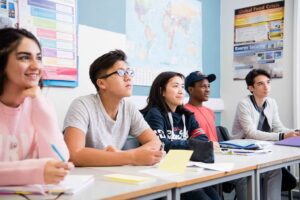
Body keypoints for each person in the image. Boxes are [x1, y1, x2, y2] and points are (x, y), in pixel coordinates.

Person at [63, 49, 163, 167]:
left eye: (129, 72)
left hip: (114, 174)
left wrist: (125, 155)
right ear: (101, 83)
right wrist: (132, 157)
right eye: (121, 73)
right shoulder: (82, 105)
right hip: (86, 177)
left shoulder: (129, 108)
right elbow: (73, 154)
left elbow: (155, 141)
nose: (128, 77)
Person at [0, 28, 71, 186]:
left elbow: (58, 162)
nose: (35, 66)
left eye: (38, 58)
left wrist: (40, 104)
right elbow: (42, 170)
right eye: (24, 58)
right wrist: (33, 172)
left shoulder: (40, 104)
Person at [141, 71, 220, 200]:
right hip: (162, 174)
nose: (180, 91)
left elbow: (203, 140)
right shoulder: (155, 114)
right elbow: (161, 145)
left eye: (182, 86)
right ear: (162, 91)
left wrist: (189, 146)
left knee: (215, 196)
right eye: (175, 86)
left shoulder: (187, 115)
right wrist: (192, 145)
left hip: (186, 169)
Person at [231, 69, 300, 200]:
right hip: (243, 152)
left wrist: (293, 133)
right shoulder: (244, 104)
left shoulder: (271, 102)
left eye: (268, 82)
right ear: (250, 87)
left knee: (275, 170)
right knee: (249, 176)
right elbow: (250, 133)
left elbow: (278, 127)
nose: (266, 86)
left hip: (263, 150)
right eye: (260, 84)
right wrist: (282, 136)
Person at [184, 71, 247, 200]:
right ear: (190, 89)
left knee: (249, 170)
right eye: (202, 86)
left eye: (208, 86)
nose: (207, 90)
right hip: (201, 160)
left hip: (218, 157)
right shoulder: (185, 112)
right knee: (243, 178)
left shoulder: (209, 111)